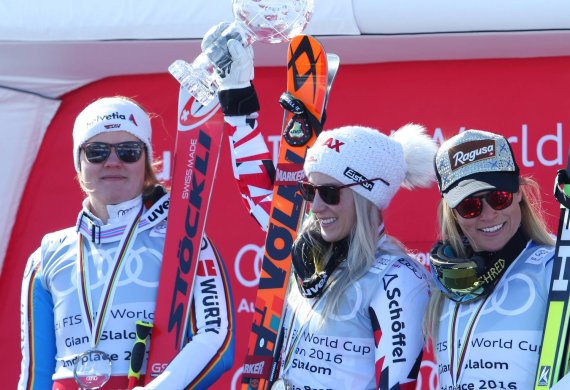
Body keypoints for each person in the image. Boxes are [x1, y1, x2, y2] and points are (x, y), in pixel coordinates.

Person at [18, 95, 236, 389]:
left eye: (129, 151)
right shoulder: (46, 256)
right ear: (78, 163)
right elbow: (36, 375)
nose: (112, 161)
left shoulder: (185, 239)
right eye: (96, 151)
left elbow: (217, 337)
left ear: (145, 161)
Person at [426, 129, 556, 389]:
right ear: (452, 212)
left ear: (518, 193)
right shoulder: (442, 284)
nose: (487, 215)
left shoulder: (553, 268)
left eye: (499, 198)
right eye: (469, 206)